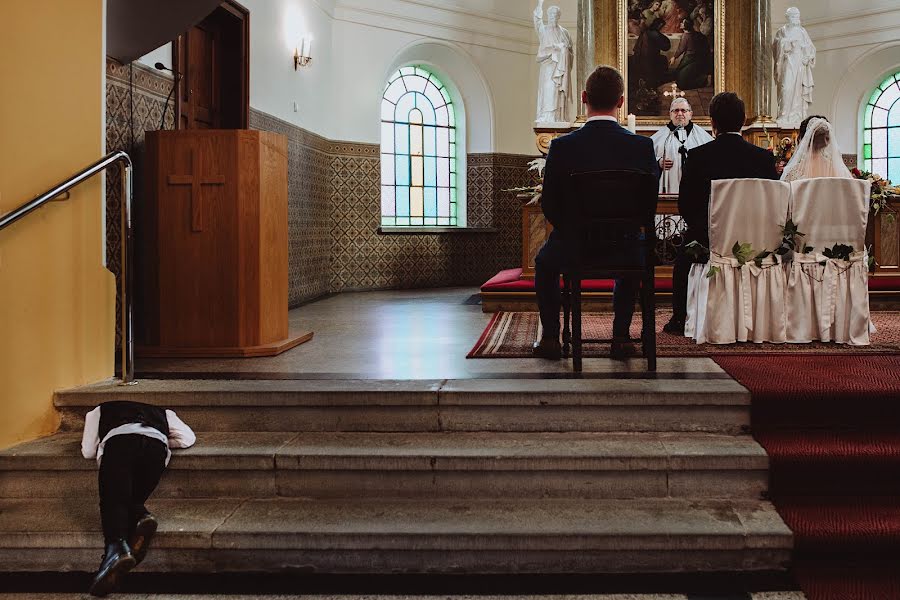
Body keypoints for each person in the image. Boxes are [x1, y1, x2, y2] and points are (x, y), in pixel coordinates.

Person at [533, 65, 660, 360]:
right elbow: (647, 208)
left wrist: (572, 231)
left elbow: (550, 204)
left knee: (544, 264)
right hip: (625, 247)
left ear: (583, 97)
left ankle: (551, 337)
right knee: (633, 248)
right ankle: (620, 337)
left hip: (574, 247)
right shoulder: (642, 146)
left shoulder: (563, 147)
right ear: (621, 102)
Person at [664, 92, 779, 335]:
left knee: (682, 261)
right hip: (754, 240)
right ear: (744, 119)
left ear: (713, 123)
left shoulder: (698, 157)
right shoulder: (763, 158)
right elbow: (773, 204)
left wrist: (707, 229)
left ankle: (679, 318)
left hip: (708, 240)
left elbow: (686, 205)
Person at [81, 400, 196, 596]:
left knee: (113, 499)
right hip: (155, 449)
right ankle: (140, 517)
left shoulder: (99, 411)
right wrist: (161, 439)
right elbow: (187, 439)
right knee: (131, 499)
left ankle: (116, 548)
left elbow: (88, 451)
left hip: (120, 444)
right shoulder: (164, 412)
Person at [651, 97, 713, 194]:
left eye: (683, 110)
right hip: (668, 189)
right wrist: (658, 162)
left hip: (696, 190)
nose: (679, 114)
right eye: (675, 111)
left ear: (690, 114)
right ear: (670, 114)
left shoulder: (703, 137)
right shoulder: (659, 138)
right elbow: (646, 161)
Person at [773, 7, 816, 127]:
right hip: (787, 62)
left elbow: (811, 48)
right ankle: (784, 114)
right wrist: (787, 43)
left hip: (800, 64)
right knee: (786, 88)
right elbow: (776, 45)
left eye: (797, 16)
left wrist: (807, 56)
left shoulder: (802, 32)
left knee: (798, 92)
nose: (795, 19)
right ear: (787, 17)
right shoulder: (782, 31)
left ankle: (796, 115)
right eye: (792, 16)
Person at [534, 0, 574, 123]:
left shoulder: (564, 32)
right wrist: (540, 4)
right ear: (548, 16)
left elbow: (571, 51)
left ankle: (559, 116)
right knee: (548, 91)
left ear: (559, 17)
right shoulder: (543, 30)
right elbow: (537, 21)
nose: (553, 17)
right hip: (548, 67)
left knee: (558, 93)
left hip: (561, 70)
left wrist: (564, 51)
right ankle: (547, 116)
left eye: (556, 15)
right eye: (551, 15)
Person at [781, 115, 851, 181]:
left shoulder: (794, 171)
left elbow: (786, 192)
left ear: (803, 139)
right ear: (828, 139)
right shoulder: (838, 169)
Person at [669, 18, 712, 91]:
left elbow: (681, 49)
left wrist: (674, 57)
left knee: (681, 83)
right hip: (699, 60)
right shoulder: (698, 34)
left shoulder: (686, 36)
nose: (681, 24)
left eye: (683, 23)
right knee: (680, 75)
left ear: (686, 26)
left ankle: (705, 80)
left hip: (691, 60)